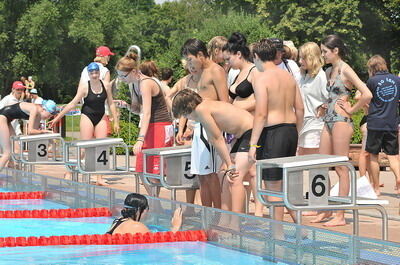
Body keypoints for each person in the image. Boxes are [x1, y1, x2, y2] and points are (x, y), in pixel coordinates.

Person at [311, 35, 372, 227]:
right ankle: (324, 207)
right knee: (319, 164)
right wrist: (323, 106)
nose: (322, 55)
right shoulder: (329, 70)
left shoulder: (346, 69)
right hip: (328, 119)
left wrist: (352, 110)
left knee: (341, 167)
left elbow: (366, 93)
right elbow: (332, 95)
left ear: (335, 51)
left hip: (341, 121)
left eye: (325, 51)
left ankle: (340, 214)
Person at [173, 89, 264, 215]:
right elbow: (214, 139)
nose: (187, 118)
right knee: (224, 176)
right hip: (244, 134)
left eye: (184, 115)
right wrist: (227, 164)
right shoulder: (205, 104)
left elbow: (217, 138)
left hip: (251, 132)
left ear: (187, 110)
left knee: (234, 177)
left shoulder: (201, 110)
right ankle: (225, 218)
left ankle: (235, 222)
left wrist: (229, 164)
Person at [248, 39, 304, 223]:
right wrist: (297, 132)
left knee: (272, 187)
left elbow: (261, 114)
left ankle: (277, 234)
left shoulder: (262, 78)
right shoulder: (288, 77)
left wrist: (253, 144)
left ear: (256, 56)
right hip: (290, 131)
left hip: (273, 133)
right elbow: (300, 109)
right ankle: (300, 227)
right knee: (283, 186)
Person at [50, 63, 119, 185]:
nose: (94, 75)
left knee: (102, 147)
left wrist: (116, 121)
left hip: (101, 116)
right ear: (88, 74)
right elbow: (72, 104)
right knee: (83, 148)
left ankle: (99, 178)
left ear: (99, 73)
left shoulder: (106, 85)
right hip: (87, 116)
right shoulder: (84, 87)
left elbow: (111, 103)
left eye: (96, 73)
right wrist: (58, 117)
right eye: (92, 73)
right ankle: (69, 171)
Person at [116, 46, 173, 195]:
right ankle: (155, 204)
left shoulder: (146, 83)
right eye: (119, 76)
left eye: (123, 76)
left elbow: (147, 113)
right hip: (150, 127)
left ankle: (156, 204)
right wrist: (127, 106)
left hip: (160, 125)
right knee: (140, 169)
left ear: (134, 71)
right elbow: (138, 109)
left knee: (154, 171)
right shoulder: (133, 84)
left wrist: (140, 139)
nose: (121, 79)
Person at [181, 38, 229, 208]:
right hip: (199, 127)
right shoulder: (199, 74)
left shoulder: (216, 71)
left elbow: (225, 102)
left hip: (211, 127)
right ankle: (207, 215)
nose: (189, 64)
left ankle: (216, 215)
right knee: (201, 175)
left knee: (211, 174)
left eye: (190, 59)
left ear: (200, 55)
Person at [365, 55, 399, 196]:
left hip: (375, 123)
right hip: (391, 123)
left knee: (373, 155)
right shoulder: (397, 80)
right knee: (392, 156)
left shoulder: (372, 81)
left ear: (372, 67)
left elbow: (366, 98)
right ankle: (398, 177)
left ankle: (376, 188)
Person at [0, 100, 57, 171]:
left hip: (7, 120)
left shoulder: (38, 116)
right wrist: (44, 132)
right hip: (2, 117)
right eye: (49, 115)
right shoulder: (34, 109)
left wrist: (50, 140)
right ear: (44, 109)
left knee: (17, 151)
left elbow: (34, 134)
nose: (48, 118)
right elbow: (30, 131)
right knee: (7, 154)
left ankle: (14, 177)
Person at [297, 42, 328, 155]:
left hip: (315, 124)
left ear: (312, 58)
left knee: (313, 160)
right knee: (299, 159)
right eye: (300, 58)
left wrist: (324, 106)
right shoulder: (301, 76)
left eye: (303, 58)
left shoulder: (321, 76)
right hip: (300, 123)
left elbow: (330, 98)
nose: (300, 61)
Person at [107, 193, 182, 235]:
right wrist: (175, 227)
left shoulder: (118, 221)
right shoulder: (136, 226)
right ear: (139, 210)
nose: (148, 212)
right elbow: (158, 242)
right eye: (147, 209)